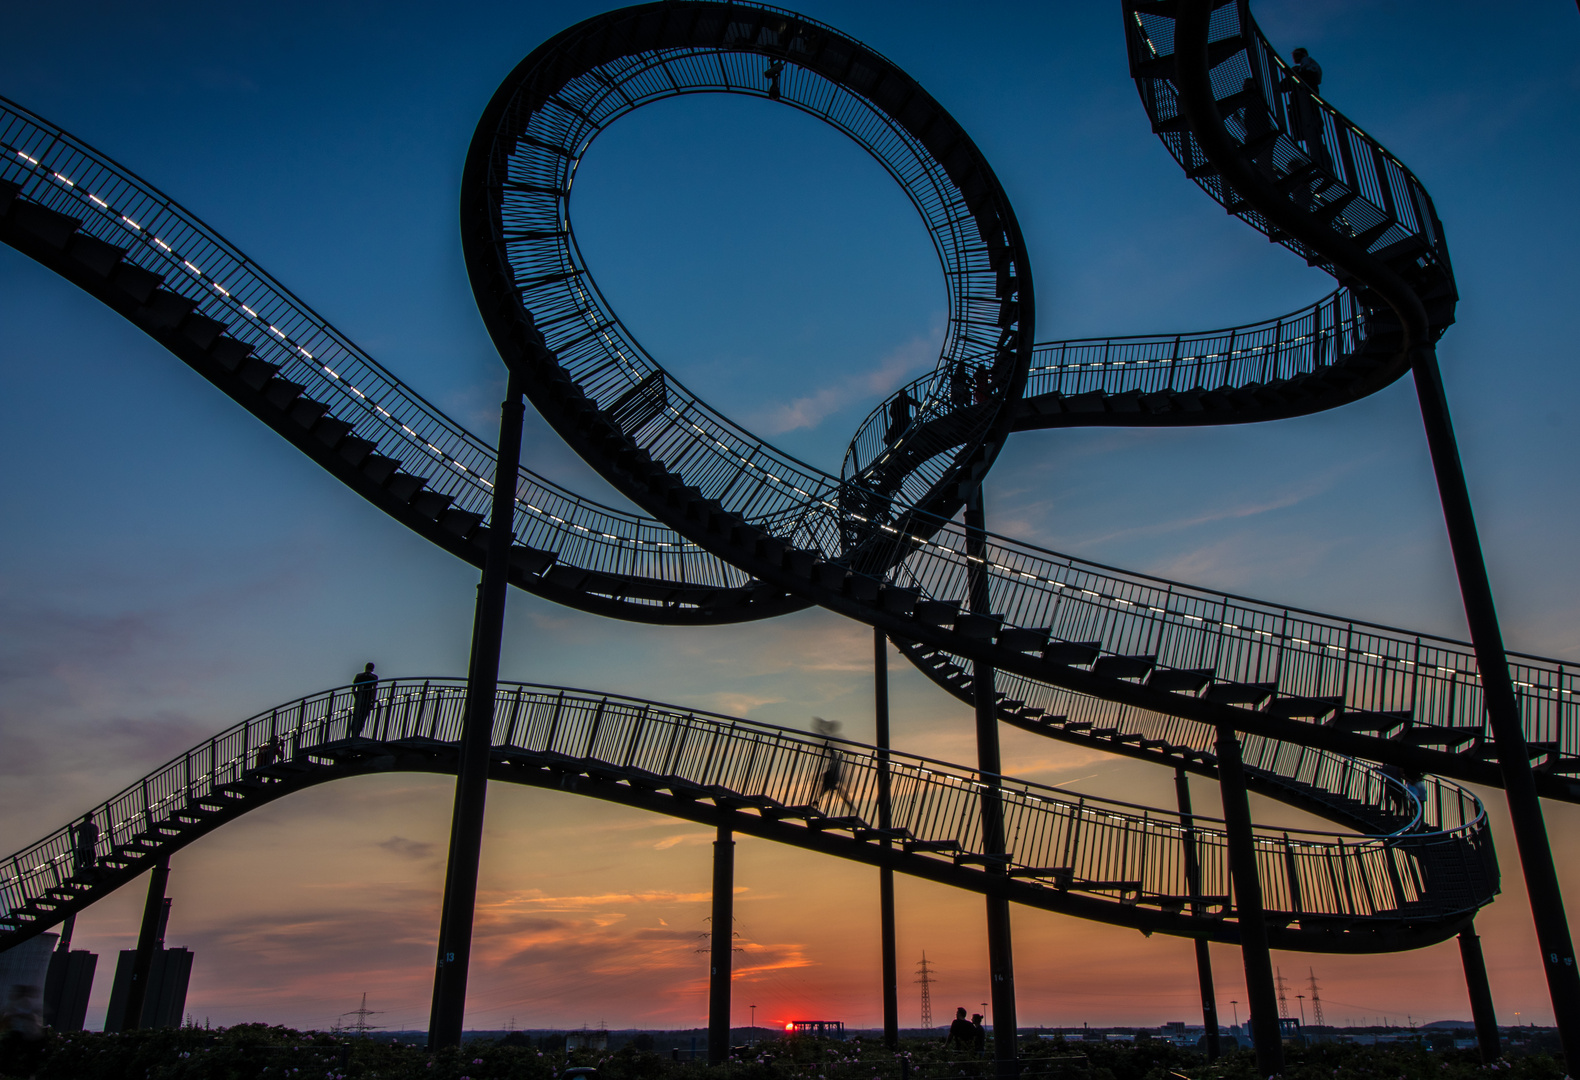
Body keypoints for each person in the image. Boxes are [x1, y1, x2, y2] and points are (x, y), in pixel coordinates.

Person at [811, 717, 859, 816]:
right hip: (834, 769)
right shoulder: (835, 739)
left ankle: (816, 801)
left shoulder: (834, 739)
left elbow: (833, 752)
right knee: (834, 788)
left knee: (830, 787)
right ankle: (851, 807)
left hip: (834, 770)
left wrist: (820, 728)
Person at [350, 662, 378, 738]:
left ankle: (353, 733)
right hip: (367, 700)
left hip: (359, 699)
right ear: (372, 669)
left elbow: (353, 689)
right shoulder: (374, 677)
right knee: (363, 718)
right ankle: (357, 734)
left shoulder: (359, 676)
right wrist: (373, 702)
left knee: (356, 716)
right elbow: (374, 690)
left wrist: (357, 697)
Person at [71, 812, 98, 879]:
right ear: (91, 818)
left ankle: (76, 878)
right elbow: (96, 839)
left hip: (81, 850)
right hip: (90, 849)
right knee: (89, 867)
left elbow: (73, 832)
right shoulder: (94, 827)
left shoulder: (81, 826)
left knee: (77, 868)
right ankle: (88, 878)